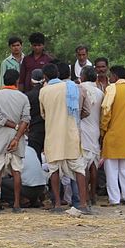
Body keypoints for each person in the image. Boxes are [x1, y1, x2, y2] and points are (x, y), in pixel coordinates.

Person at [39, 63, 91, 214]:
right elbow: (81, 110)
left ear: (46, 77)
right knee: (79, 169)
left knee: (54, 169)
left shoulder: (44, 91)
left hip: (52, 135)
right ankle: (82, 203)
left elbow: (43, 114)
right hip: (71, 133)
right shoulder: (72, 87)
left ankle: (57, 204)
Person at [0, 69, 31, 213]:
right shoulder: (23, 97)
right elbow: (26, 119)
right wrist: (17, 136)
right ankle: (17, 204)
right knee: (16, 171)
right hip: (17, 138)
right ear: (17, 81)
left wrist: (13, 125)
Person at [101, 65, 125, 206]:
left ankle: (114, 198)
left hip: (113, 134)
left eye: (110, 76)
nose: (109, 78)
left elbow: (106, 112)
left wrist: (103, 129)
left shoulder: (111, 89)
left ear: (115, 76)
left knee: (111, 170)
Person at [79, 65, 103, 205]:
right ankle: (93, 195)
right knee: (93, 162)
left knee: (83, 164)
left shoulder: (80, 89)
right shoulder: (100, 92)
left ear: (83, 76)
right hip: (95, 129)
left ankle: (85, 196)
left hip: (83, 128)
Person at [26, 69, 46, 163]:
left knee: (35, 157)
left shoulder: (28, 96)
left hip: (34, 130)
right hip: (48, 129)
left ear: (31, 80)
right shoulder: (47, 93)